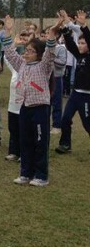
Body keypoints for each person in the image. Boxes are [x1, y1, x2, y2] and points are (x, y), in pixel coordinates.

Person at [2, 15, 59, 187]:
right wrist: (8, 31)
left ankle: (41, 175)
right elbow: (10, 53)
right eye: (26, 50)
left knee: (40, 142)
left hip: (40, 108)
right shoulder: (22, 65)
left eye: (30, 51)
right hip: (24, 108)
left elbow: (50, 53)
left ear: (39, 55)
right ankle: (25, 173)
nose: (26, 53)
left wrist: (51, 34)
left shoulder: (44, 66)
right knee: (25, 141)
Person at [55, 9, 90, 155]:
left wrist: (83, 26)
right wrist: (64, 29)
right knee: (65, 119)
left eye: (83, 43)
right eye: (80, 42)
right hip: (75, 95)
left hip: (87, 96)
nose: (80, 45)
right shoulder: (79, 56)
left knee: (87, 124)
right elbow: (70, 45)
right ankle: (65, 145)